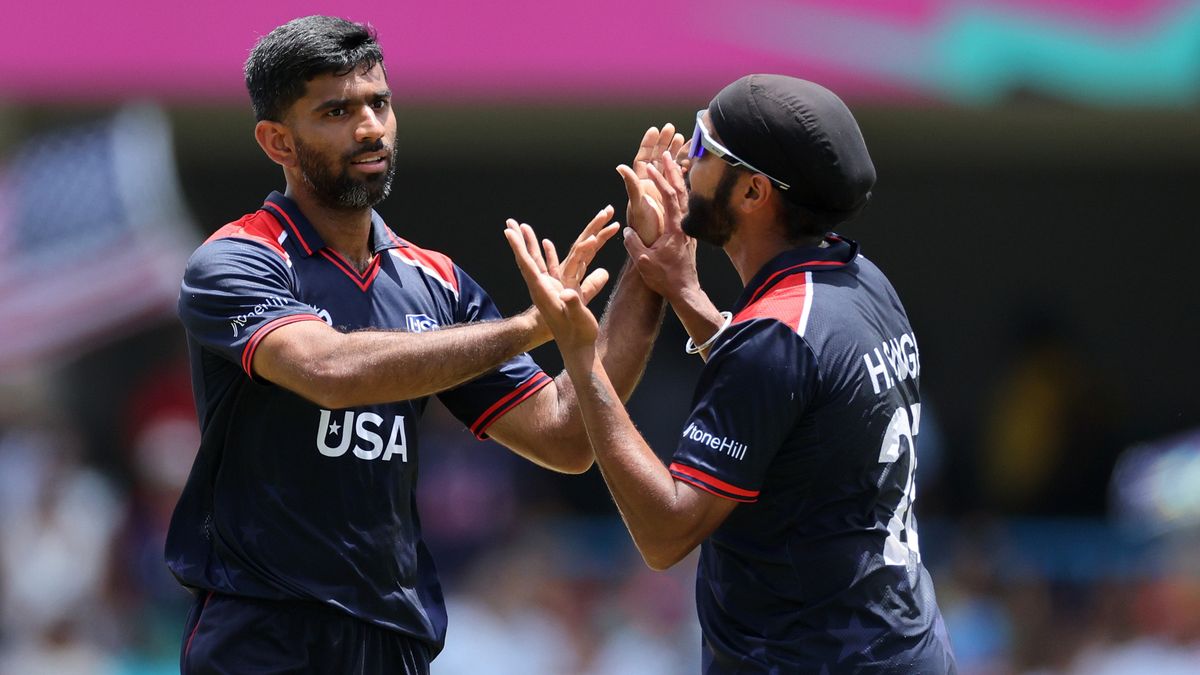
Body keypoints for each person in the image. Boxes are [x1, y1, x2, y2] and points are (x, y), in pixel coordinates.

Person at [165, 15, 665, 674]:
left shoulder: (438, 282)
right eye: (337, 111)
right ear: (277, 140)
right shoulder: (238, 258)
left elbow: (568, 434)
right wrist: (526, 329)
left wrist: (651, 267)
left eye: (379, 103)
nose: (370, 127)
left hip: (394, 643)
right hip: (265, 637)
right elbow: (326, 369)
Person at [507, 74, 958, 673]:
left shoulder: (774, 338)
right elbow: (787, 401)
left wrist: (582, 357)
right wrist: (684, 290)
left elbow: (666, 533)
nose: (685, 160)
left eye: (703, 146)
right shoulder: (863, 283)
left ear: (751, 192)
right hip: (900, 646)